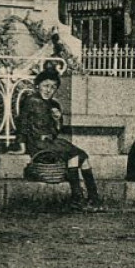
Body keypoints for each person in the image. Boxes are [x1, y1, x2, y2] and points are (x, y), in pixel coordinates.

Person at [15, 67, 103, 212]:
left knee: (84, 157)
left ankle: (93, 198)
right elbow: (22, 125)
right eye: (45, 86)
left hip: (51, 143)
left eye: (53, 87)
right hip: (38, 144)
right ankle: (78, 199)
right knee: (73, 155)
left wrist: (57, 120)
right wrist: (21, 146)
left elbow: (56, 131)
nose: (48, 90)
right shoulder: (31, 101)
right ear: (38, 85)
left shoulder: (54, 105)